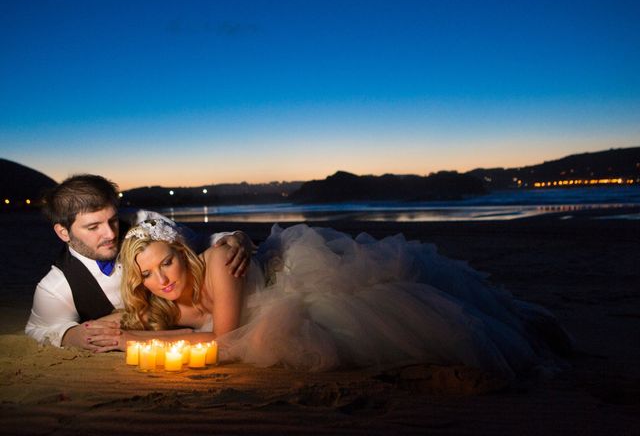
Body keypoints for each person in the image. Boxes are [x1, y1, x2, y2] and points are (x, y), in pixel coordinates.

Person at [112, 218, 573, 379]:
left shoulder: (217, 261)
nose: (160, 279)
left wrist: (132, 341)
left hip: (300, 281)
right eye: (146, 274)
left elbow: (225, 339)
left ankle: (531, 327)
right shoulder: (164, 301)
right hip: (274, 300)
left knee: (409, 314)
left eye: (166, 263)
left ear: (182, 252)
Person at [25, 174, 255, 350]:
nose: (110, 234)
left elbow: (196, 243)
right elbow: (37, 328)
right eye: (93, 227)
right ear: (63, 233)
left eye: (112, 220)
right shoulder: (56, 286)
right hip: (174, 322)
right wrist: (69, 335)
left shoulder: (143, 223)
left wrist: (237, 237)